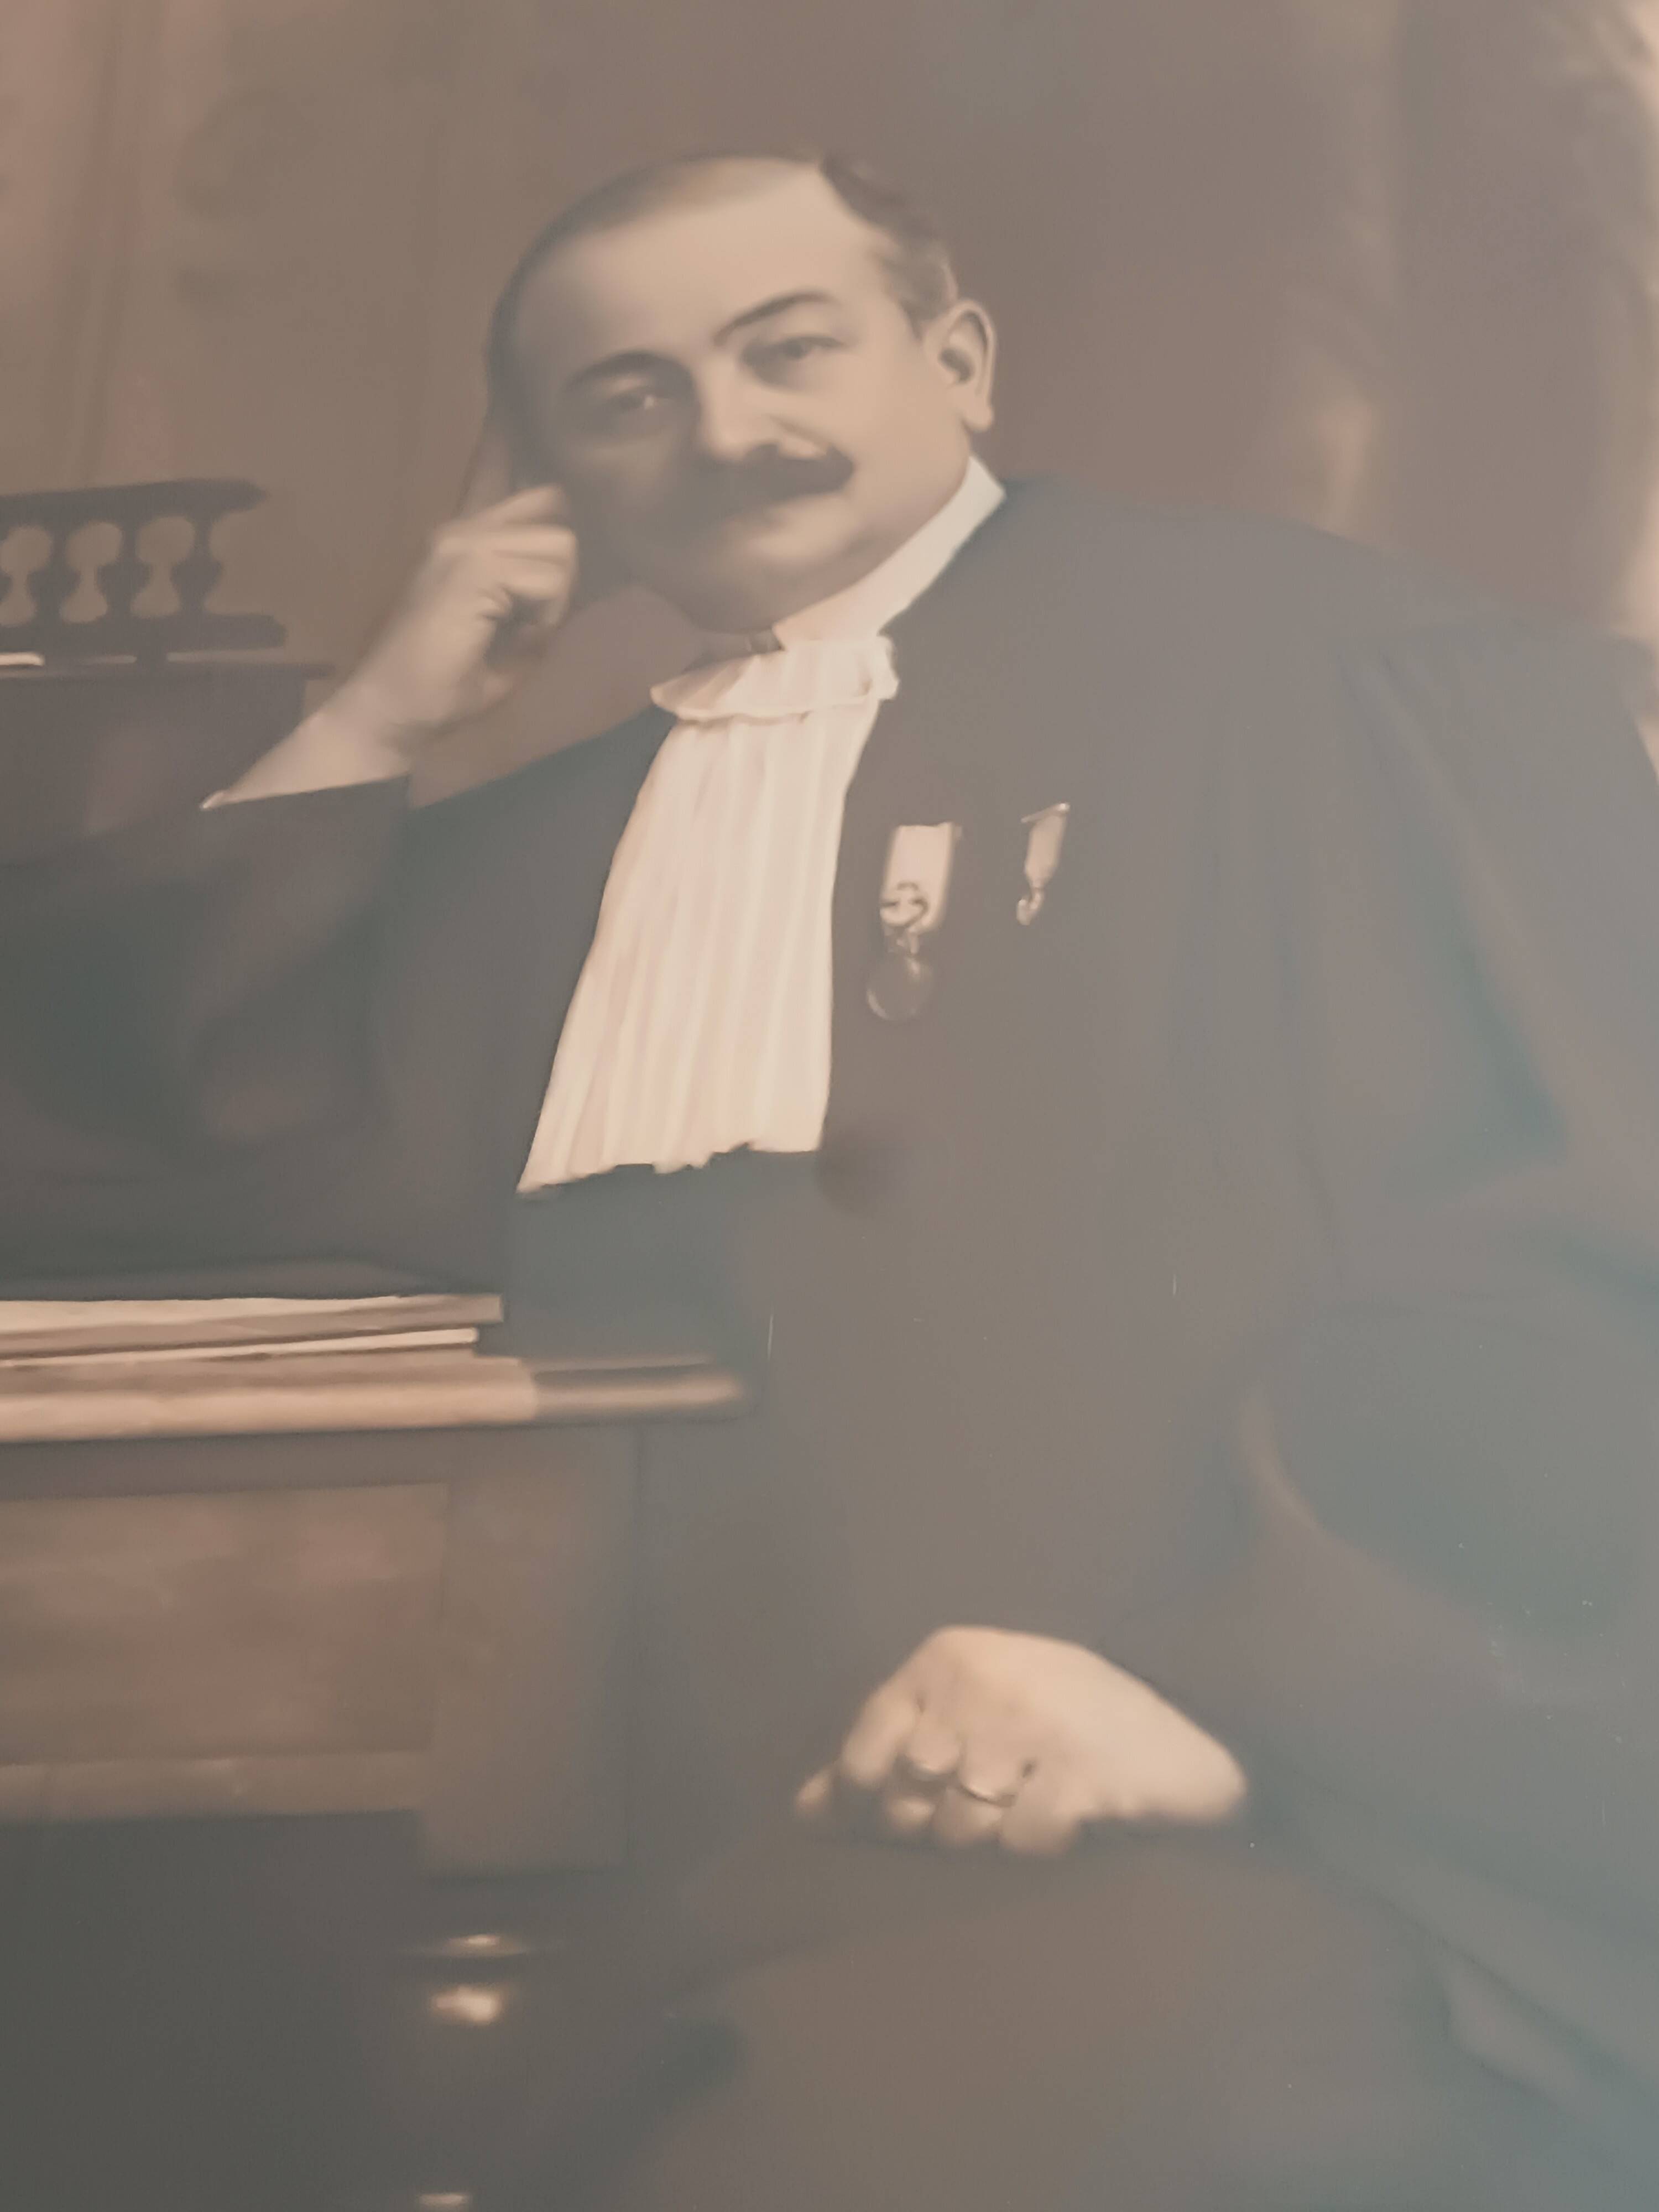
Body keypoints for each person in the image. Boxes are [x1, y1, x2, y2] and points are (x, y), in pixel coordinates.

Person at [6, 153, 1659, 2207]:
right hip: (685, 1849)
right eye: (625, 399)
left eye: (787, 351)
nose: (721, 429)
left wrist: (1231, 1696)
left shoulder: (1331, 680)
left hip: (1269, 1821)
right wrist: (387, 706)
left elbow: (1587, 1246)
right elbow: (107, 1138)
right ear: (554, 480)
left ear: (953, 359)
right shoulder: (541, 860)